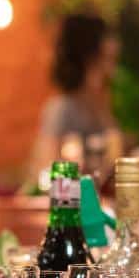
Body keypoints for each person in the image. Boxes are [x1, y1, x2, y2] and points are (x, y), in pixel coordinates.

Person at [32, 13, 120, 180]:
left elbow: (112, 164)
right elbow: (48, 171)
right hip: (70, 204)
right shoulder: (61, 109)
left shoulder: (100, 106)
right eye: (107, 38)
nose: (115, 44)